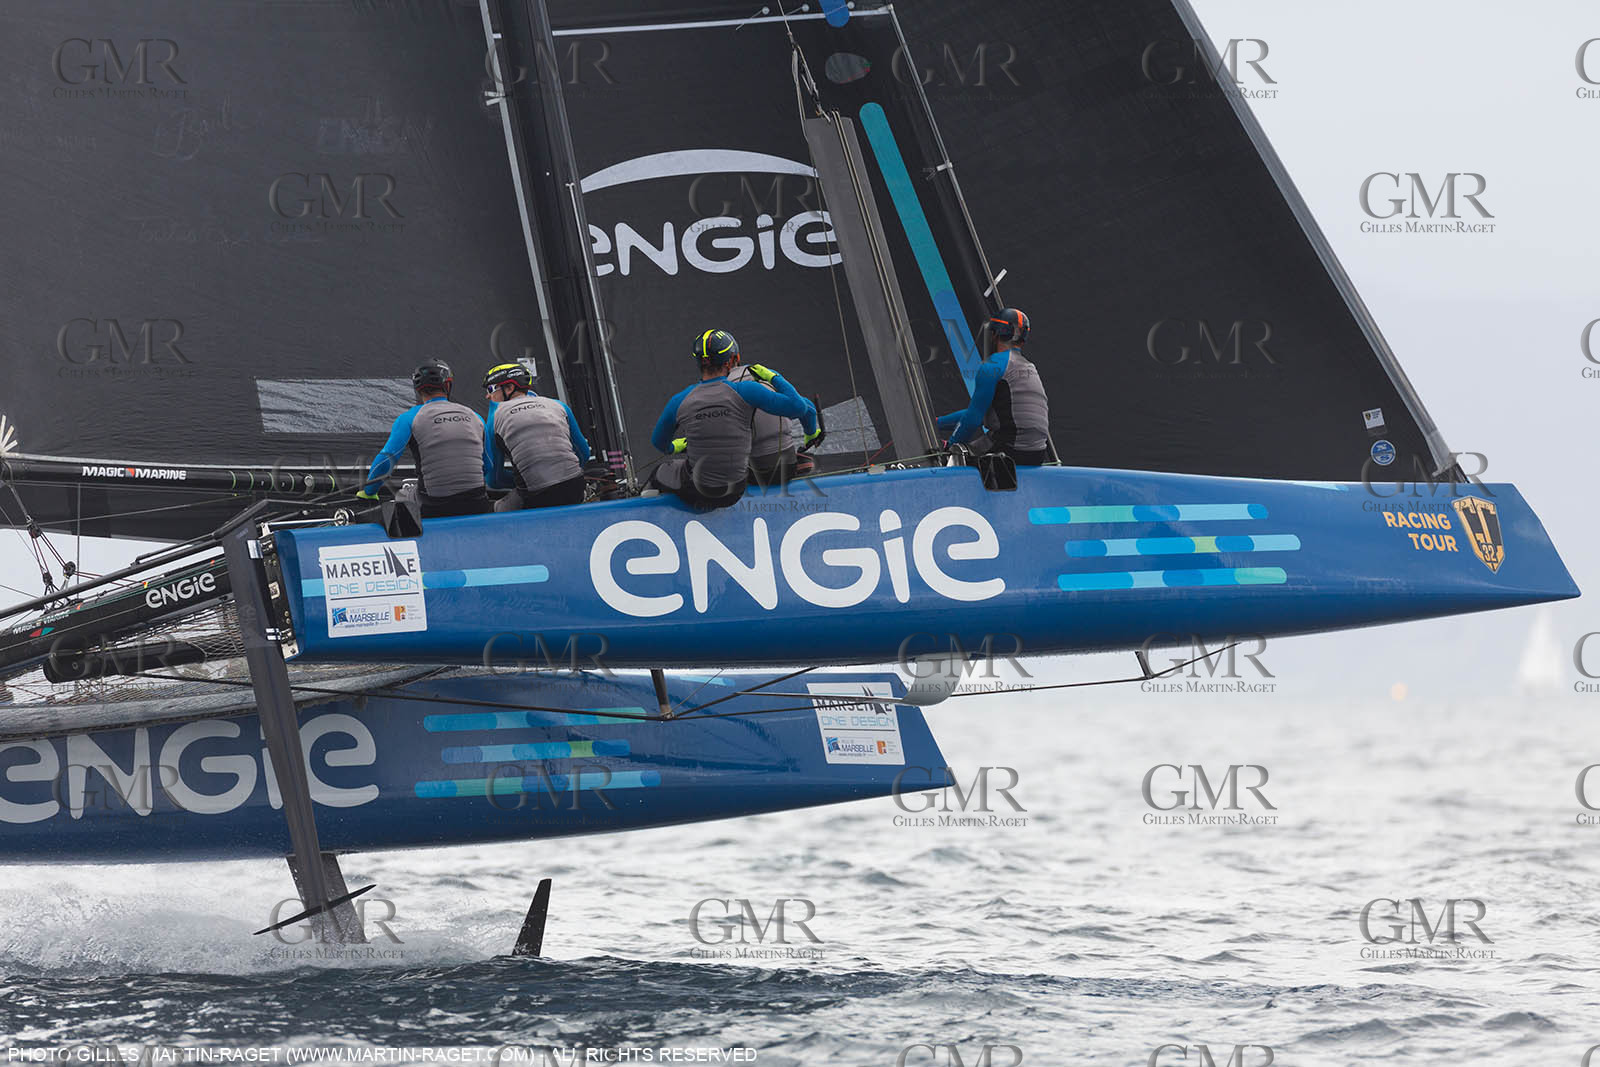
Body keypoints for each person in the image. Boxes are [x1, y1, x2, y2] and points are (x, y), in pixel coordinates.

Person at [649, 329, 817, 509]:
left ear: (699, 362)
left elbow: (659, 444)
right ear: (731, 360)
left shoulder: (680, 400)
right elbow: (799, 407)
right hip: (736, 491)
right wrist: (774, 377)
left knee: (661, 471)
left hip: (700, 490)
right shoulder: (747, 390)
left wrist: (676, 446)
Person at [357, 360, 490, 517]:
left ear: (417, 389)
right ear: (448, 385)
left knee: (402, 495)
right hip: (478, 501)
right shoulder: (475, 416)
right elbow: (489, 466)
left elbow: (386, 461)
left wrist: (369, 492)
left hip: (433, 505)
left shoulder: (409, 418)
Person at [936, 308, 1051, 466]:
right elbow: (977, 413)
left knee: (946, 456)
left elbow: (972, 420)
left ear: (994, 335)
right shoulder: (1029, 368)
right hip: (1037, 455)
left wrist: (948, 449)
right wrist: (937, 423)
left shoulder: (993, 365)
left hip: (1008, 450)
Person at [481, 362, 591, 511]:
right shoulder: (558, 405)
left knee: (492, 510)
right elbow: (584, 454)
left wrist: (531, 477)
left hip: (536, 495)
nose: (488, 396)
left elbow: (495, 480)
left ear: (509, 388)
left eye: (491, 389)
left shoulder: (495, 417)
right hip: (575, 487)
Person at [727, 362, 820, 486]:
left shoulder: (717, 391)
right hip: (786, 468)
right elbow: (807, 409)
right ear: (736, 358)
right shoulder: (766, 378)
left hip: (749, 473)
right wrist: (811, 434)